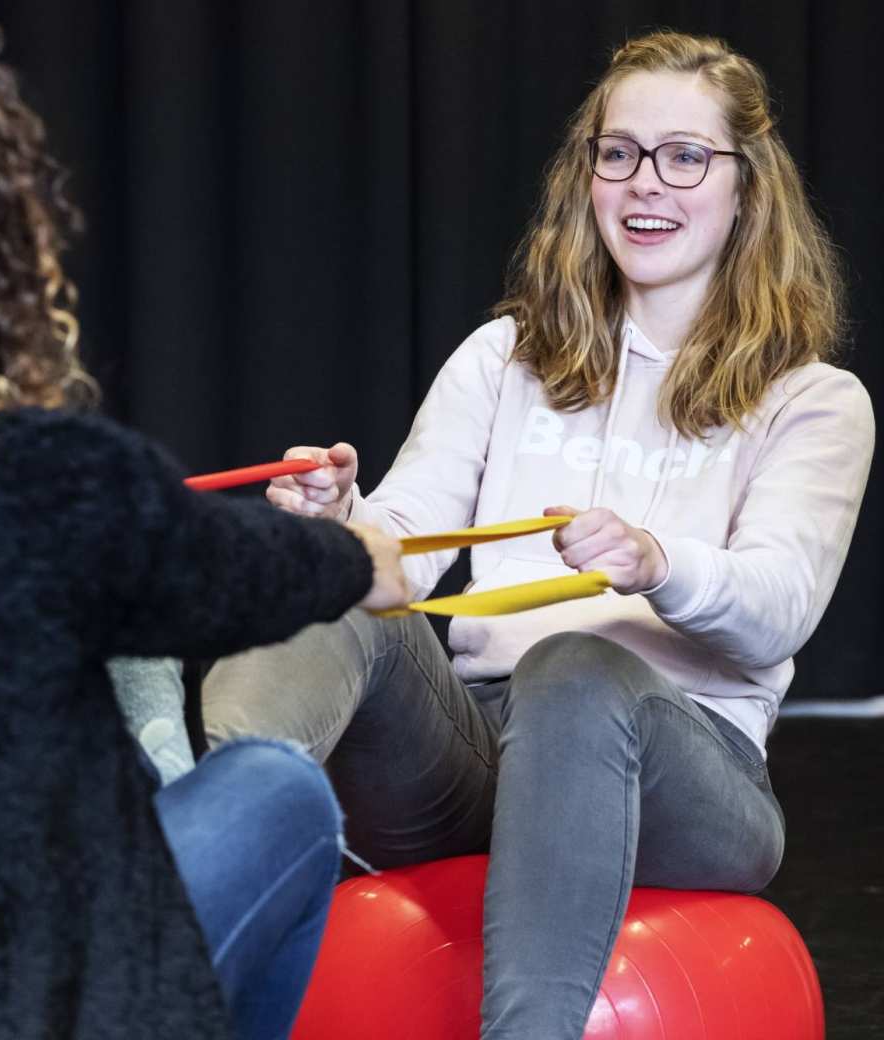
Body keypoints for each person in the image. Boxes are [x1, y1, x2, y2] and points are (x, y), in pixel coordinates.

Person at [198, 30, 875, 1040]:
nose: (646, 182)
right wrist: (341, 521)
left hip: (687, 778)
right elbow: (406, 541)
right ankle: (187, 875)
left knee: (575, 663)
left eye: (685, 155)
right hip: (478, 755)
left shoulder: (813, 400)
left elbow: (775, 608)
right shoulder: (503, 357)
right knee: (326, 581)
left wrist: (655, 561)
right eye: (619, 151)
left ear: (746, 186)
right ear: (586, 172)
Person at [0, 5, 409, 1040]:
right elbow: (231, 570)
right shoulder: (41, 475)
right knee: (277, 789)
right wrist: (358, 555)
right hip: (26, 996)